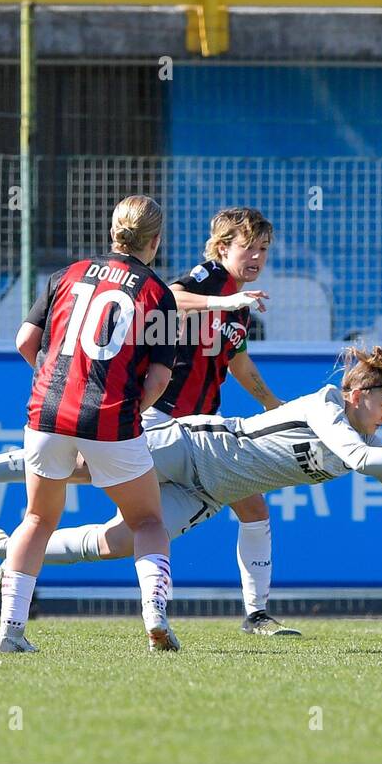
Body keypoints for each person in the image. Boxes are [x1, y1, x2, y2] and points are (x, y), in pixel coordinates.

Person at [0, 347, 382, 594]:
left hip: (207, 492)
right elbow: (359, 461)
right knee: (77, 466)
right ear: (356, 393)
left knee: (115, 543)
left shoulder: (365, 435)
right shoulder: (326, 403)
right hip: (193, 448)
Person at [0, 194, 180, 654]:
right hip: (110, 416)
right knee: (149, 520)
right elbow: (157, 377)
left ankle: (9, 631)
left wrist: (58, 381)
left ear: (113, 231)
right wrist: (125, 414)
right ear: (154, 241)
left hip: (47, 411)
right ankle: (154, 614)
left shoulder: (66, 274)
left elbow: (24, 341)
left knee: (36, 518)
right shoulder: (157, 293)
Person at [148, 207, 296, 637]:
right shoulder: (212, 278)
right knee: (112, 516)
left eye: (264, 248)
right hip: (161, 420)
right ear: (222, 247)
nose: (257, 257)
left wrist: (273, 404)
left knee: (252, 506)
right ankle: (10, 556)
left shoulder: (240, 303)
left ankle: (256, 614)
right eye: (247, 246)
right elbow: (168, 297)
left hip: (201, 429)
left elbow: (238, 361)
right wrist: (226, 300)